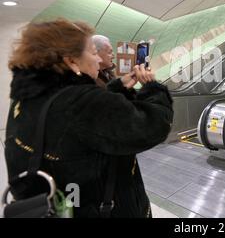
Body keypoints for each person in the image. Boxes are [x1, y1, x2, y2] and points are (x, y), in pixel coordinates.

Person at [5, 19, 174, 218]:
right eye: (93, 53)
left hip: (58, 205)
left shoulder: (25, 98)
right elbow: (154, 125)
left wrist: (117, 87)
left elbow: (82, 125)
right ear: (71, 61)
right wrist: (152, 87)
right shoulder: (83, 103)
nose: (97, 60)